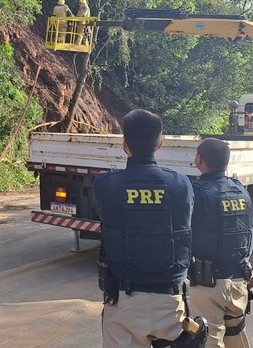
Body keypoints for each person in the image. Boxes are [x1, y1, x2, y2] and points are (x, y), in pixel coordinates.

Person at [92, 109, 195, 347]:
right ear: (160, 143)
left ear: (124, 143)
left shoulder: (105, 185)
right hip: (171, 300)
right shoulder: (181, 184)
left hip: (124, 301)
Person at [189, 137, 253, 348]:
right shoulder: (241, 190)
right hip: (238, 280)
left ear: (200, 159)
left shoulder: (197, 192)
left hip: (208, 284)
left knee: (209, 339)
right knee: (236, 335)